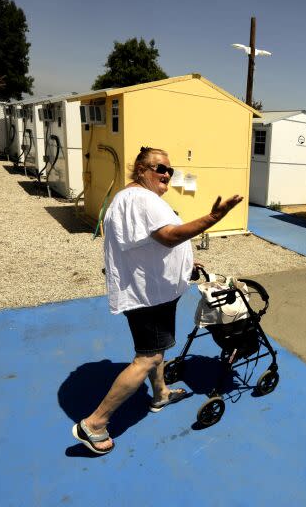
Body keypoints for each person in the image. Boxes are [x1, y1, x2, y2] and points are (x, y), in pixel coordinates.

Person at [72, 146, 243, 455]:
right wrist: (215, 216)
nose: (166, 174)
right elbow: (169, 236)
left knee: (157, 349)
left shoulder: (133, 199)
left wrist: (186, 265)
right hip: (147, 296)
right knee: (148, 357)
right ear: (140, 170)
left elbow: (148, 247)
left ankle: (160, 393)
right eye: (159, 168)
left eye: (170, 170)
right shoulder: (140, 199)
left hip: (155, 291)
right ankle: (94, 424)